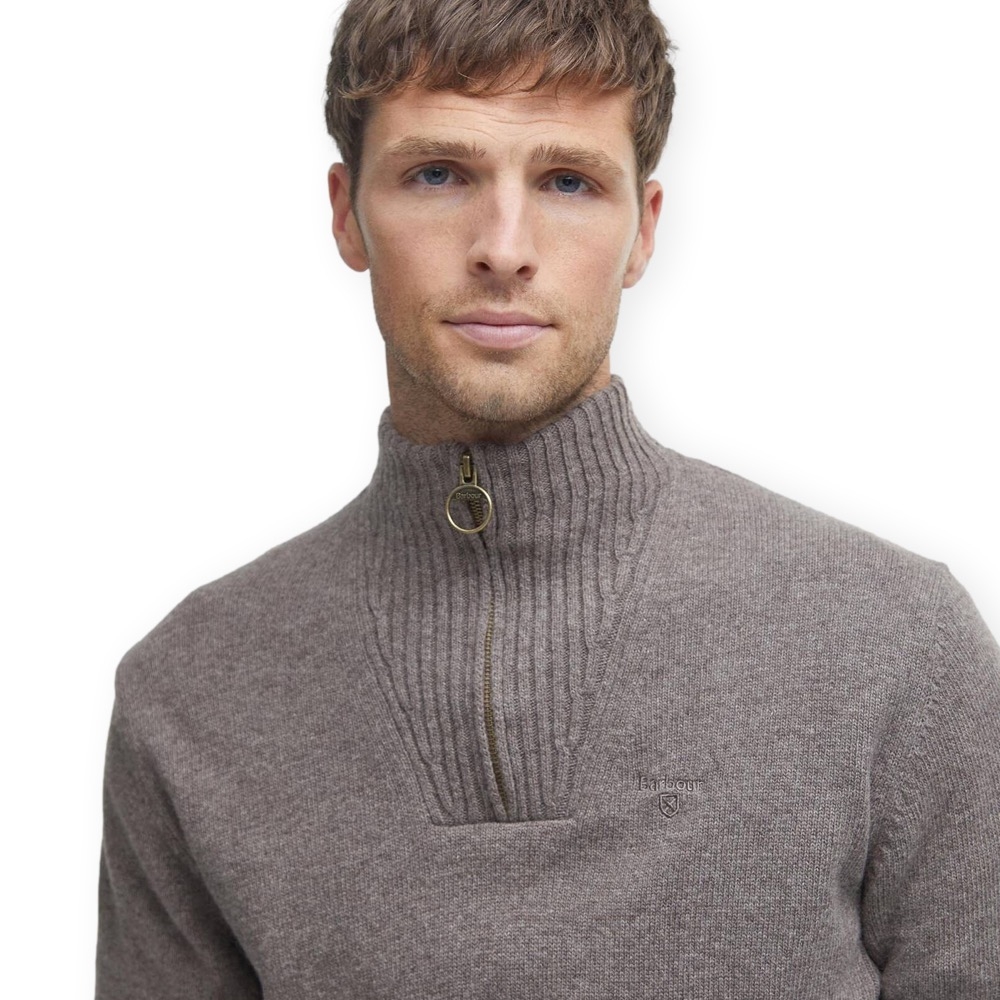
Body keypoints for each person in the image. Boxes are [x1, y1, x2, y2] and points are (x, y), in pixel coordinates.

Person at [95, 0, 1000, 996]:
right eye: (438, 174)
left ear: (643, 232)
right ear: (346, 213)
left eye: (568, 181)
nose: (503, 246)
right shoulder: (191, 692)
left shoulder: (893, 643)